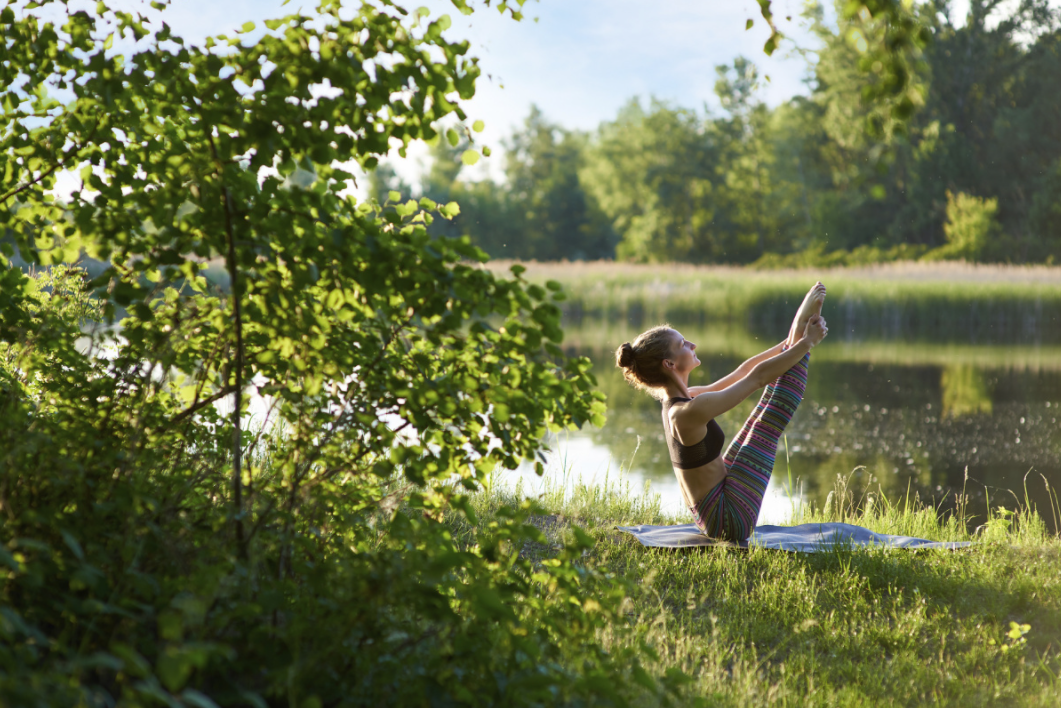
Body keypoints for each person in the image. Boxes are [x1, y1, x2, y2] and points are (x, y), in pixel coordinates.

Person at [615, 283, 828, 541]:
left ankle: (798, 329)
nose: (693, 344)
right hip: (729, 520)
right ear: (669, 364)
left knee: (759, 413)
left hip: (718, 507)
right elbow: (757, 379)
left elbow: (742, 372)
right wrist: (806, 343)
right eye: (683, 344)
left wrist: (789, 342)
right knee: (769, 417)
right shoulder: (685, 412)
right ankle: (801, 331)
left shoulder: (684, 398)